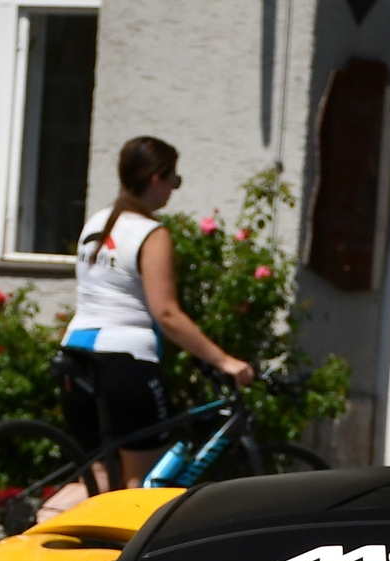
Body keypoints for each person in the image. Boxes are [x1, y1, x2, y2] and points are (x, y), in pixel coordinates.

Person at [61, 136, 254, 490]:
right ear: (155, 180)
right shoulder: (151, 234)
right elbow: (166, 314)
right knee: (143, 486)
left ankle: (36, 535)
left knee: (96, 481)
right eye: (173, 180)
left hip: (76, 357)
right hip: (125, 363)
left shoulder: (96, 223)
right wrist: (224, 361)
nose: (173, 190)